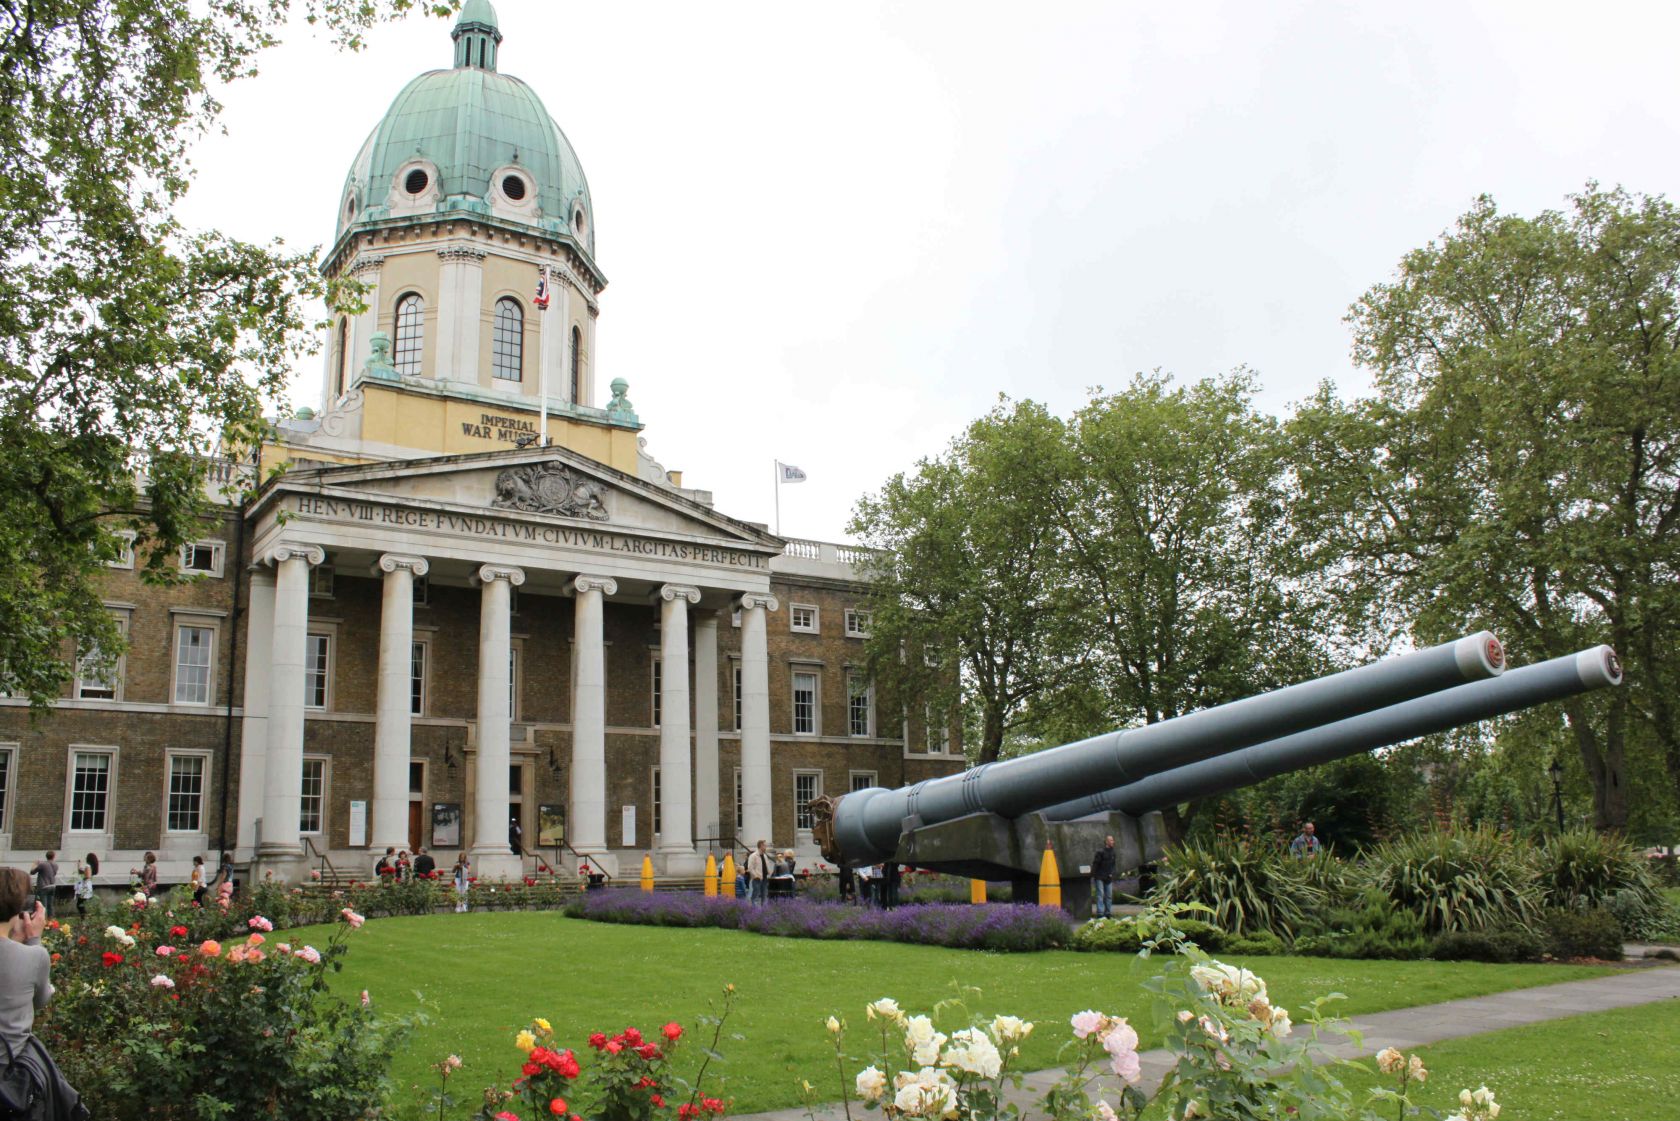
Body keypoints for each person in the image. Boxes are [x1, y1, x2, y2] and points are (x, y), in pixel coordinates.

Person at [0, 866, 85, 1118]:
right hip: (9, 1073)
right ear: (21, 907)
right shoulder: (34, 956)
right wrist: (33, 940)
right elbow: (40, 1000)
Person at [1090, 835, 1118, 918]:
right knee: (1100, 895)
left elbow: (1113, 865)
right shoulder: (1100, 852)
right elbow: (1095, 864)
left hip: (1108, 877)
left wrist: (1112, 873)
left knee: (1109, 895)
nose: (1113, 842)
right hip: (1099, 876)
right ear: (1106, 842)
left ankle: (1108, 913)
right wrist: (1093, 875)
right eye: (1111, 840)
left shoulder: (1113, 852)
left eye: (1113, 840)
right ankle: (1100, 913)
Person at [29, 851, 57, 919]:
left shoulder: (42, 864)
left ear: (46, 856)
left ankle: (43, 921)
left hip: (44, 886)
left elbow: (32, 872)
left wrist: (35, 864)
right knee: (50, 905)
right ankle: (51, 920)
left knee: (43, 906)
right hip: (52, 886)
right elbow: (53, 874)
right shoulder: (56, 865)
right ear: (54, 856)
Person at [745, 840, 773, 905]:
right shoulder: (753, 856)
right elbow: (750, 868)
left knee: (764, 895)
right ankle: (755, 911)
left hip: (765, 878)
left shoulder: (765, 856)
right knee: (756, 895)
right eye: (765, 846)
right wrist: (756, 876)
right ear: (761, 846)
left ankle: (763, 912)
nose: (766, 847)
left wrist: (769, 873)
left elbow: (767, 865)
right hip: (757, 879)